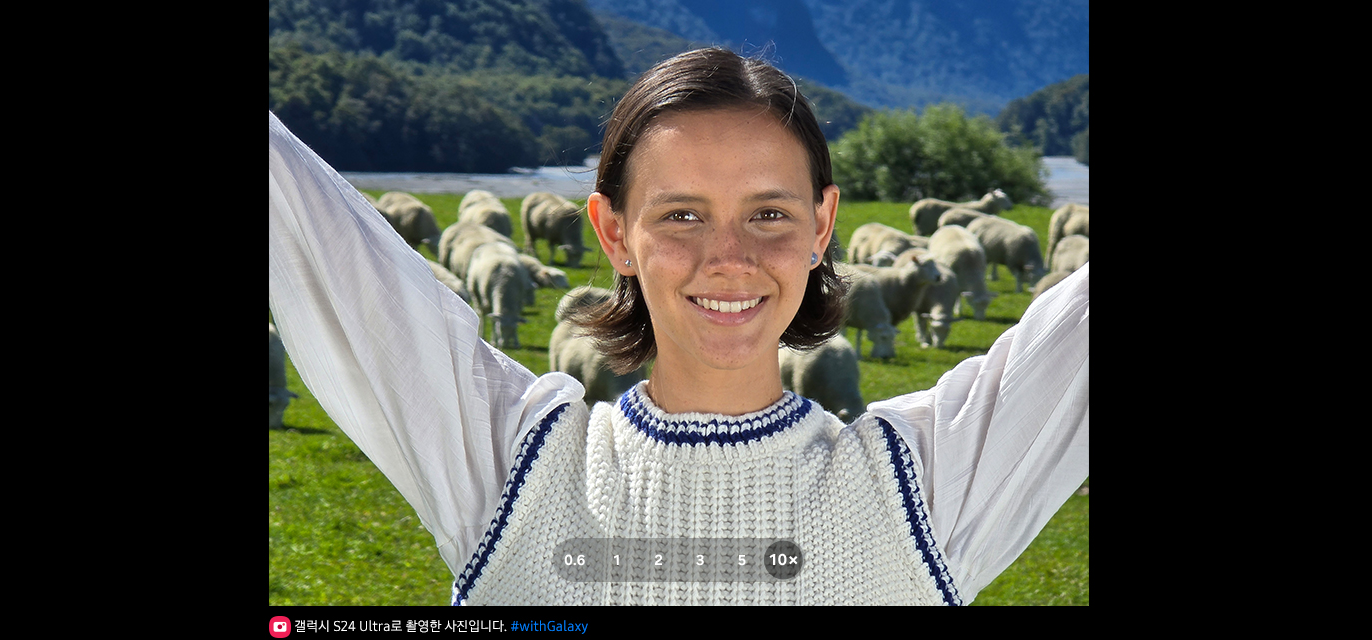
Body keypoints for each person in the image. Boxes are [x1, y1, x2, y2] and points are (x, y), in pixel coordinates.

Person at [268, 47, 1089, 606]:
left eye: (769, 212)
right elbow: (313, 232)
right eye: (682, 214)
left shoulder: (923, 493)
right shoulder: (511, 472)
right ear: (614, 232)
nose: (728, 257)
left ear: (821, 224)